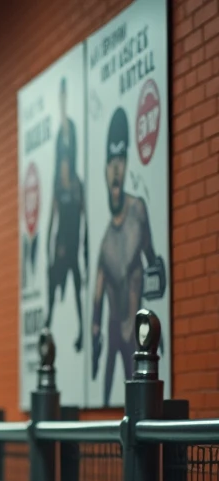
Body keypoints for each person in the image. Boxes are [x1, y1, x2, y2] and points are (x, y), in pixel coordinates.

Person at [92, 106, 161, 405]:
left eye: (121, 160)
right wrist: (94, 339)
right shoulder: (104, 243)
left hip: (138, 338)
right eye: (111, 162)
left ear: (126, 163)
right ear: (106, 172)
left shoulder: (138, 214)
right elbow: (96, 301)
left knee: (142, 415)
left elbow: (154, 263)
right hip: (113, 337)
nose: (116, 168)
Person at [46, 77, 88, 351]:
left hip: (73, 246)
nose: (63, 166)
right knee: (53, 285)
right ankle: (47, 326)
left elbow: (85, 218)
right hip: (61, 246)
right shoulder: (56, 188)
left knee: (76, 291)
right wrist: (51, 252)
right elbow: (50, 223)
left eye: (66, 161)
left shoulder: (77, 185)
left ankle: (83, 331)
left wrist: (84, 249)